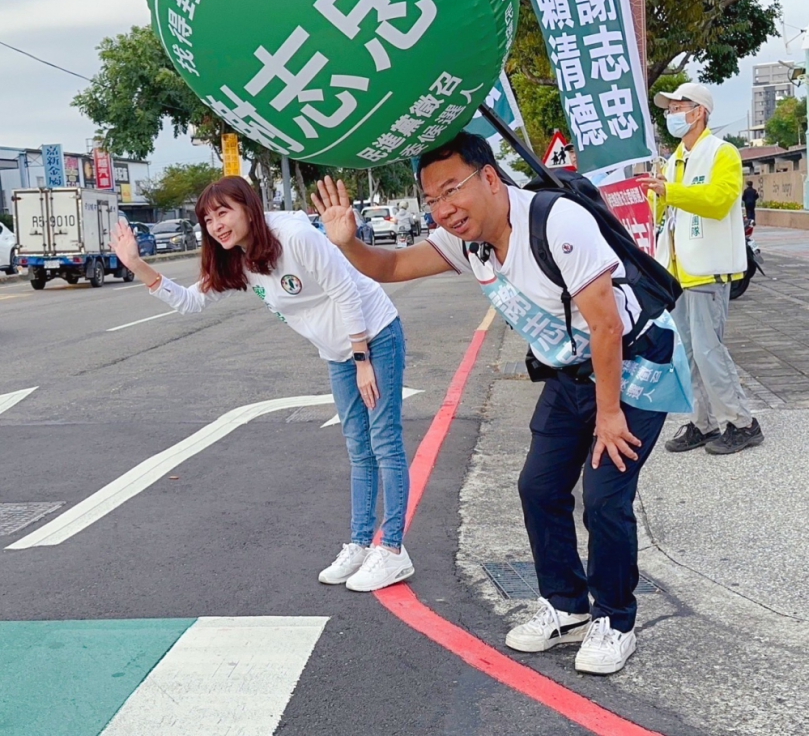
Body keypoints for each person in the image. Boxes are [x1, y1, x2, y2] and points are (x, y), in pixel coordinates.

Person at [313, 131, 689, 676]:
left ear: (489, 178)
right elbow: (390, 269)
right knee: (538, 487)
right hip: (570, 371)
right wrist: (347, 241)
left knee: (605, 496)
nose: (443, 210)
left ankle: (615, 619)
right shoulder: (468, 239)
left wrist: (610, 415)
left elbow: (606, 325)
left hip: (634, 366)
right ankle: (566, 608)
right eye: (431, 199)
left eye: (451, 190)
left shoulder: (557, 221)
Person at [110, 176, 414, 592]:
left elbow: (346, 290)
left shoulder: (295, 236)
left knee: (384, 441)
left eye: (223, 212)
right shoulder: (238, 257)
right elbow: (191, 302)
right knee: (358, 448)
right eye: (208, 219)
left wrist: (362, 358)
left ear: (248, 207)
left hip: (373, 334)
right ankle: (361, 543)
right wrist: (137, 265)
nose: (216, 225)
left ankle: (393, 550)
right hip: (336, 350)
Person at [639, 82, 764, 455]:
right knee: (688, 353)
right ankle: (703, 422)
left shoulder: (721, 153)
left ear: (700, 112)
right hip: (677, 273)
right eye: (670, 108)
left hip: (709, 269)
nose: (672, 114)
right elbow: (664, 213)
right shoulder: (674, 159)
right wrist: (655, 195)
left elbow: (719, 200)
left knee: (709, 351)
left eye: (679, 107)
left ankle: (743, 423)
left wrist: (669, 192)